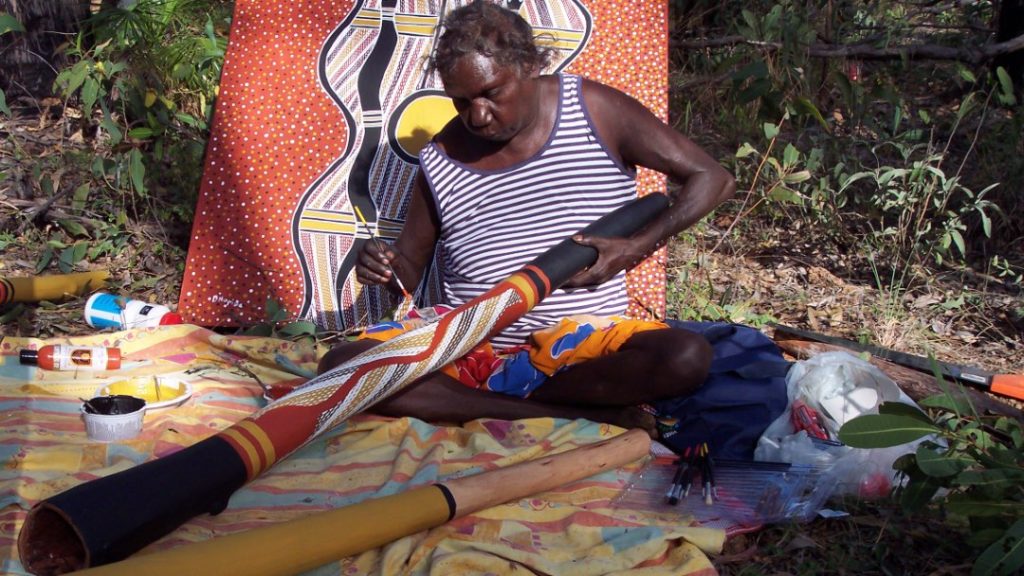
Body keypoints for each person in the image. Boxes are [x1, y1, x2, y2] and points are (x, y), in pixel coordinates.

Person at [318, 0, 735, 432]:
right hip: (470, 354)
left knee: (685, 357)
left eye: (491, 93)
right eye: (461, 102)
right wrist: (383, 265)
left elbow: (714, 178)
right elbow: (406, 271)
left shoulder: (594, 110)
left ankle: (498, 405)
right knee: (341, 363)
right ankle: (552, 413)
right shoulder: (440, 156)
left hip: (582, 352)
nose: (478, 115)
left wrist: (634, 247)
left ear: (531, 66)